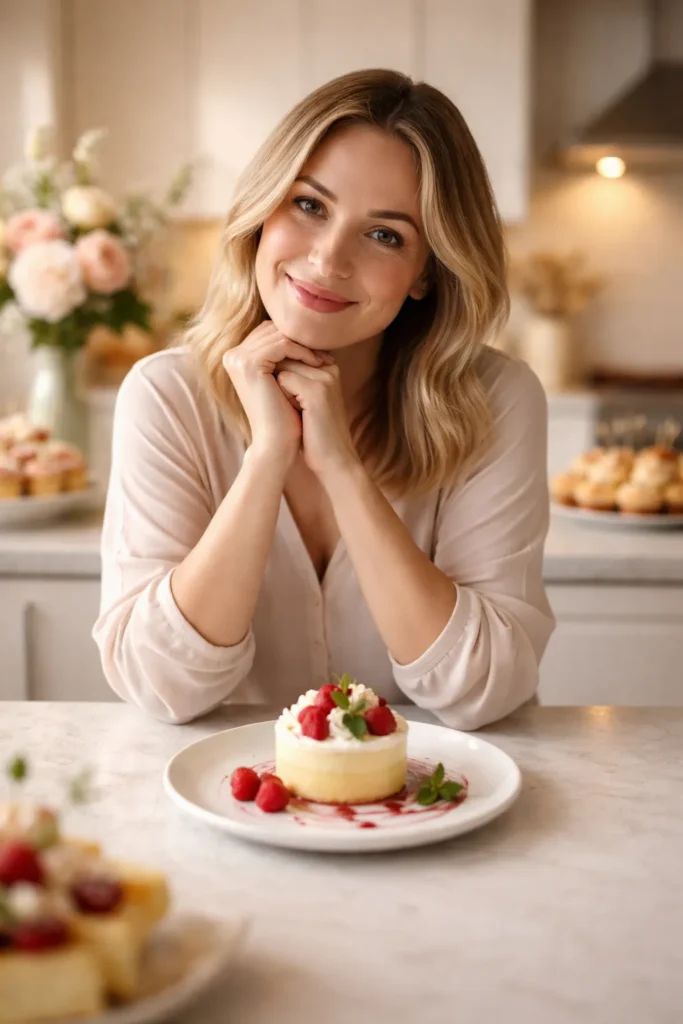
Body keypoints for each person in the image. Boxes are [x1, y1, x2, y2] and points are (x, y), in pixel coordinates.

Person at [93, 68, 555, 726]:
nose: (328, 259)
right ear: (263, 208)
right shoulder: (167, 396)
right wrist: (266, 460)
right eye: (309, 205)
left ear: (425, 273)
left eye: (384, 234)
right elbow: (160, 683)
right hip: (234, 801)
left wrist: (342, 467)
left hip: (435, 803)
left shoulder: (496, 400)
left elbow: (482, 689)